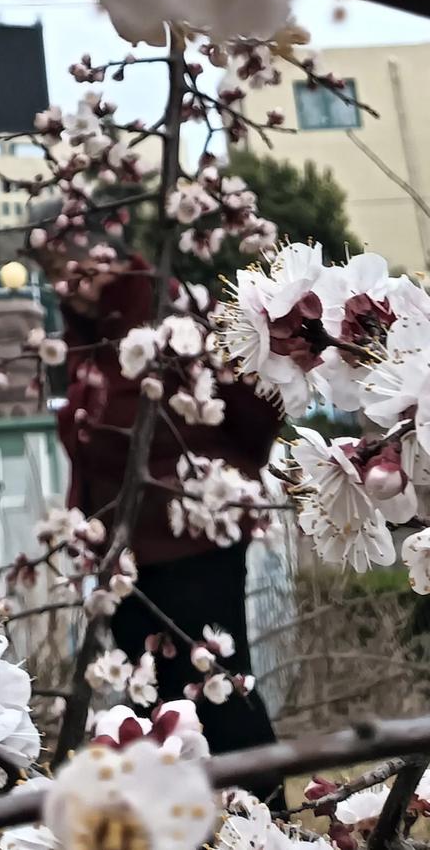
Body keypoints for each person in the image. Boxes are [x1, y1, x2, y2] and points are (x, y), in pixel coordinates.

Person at [33, 220, 283, 766]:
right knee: (159, 706)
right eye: (55, 276)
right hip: (126, 561)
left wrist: (218, 476)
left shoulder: (180, 320)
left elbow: (259, 408)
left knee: (217, 690)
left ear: (110, 257)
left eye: (74, 270)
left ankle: (267, 822)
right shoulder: (90, 339)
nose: (66, 286)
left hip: (195, 548)